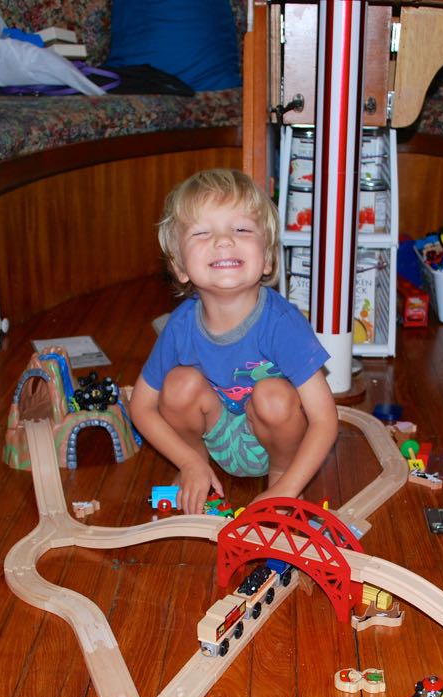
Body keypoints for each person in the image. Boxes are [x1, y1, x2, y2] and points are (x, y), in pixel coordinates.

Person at [129, 168, 338, 514]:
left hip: (277, 440)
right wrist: (187, 461)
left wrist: (289, 485)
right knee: (178, 384)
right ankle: (198, 467)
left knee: (273, 395)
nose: (224, 240)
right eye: (202, 232)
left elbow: (325, 419)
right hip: (217, 437)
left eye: (241, 229)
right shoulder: (180, 326)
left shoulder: (282, 324)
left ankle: (281, 478)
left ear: (267, 259)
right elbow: (140, 406)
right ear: (180, 267)